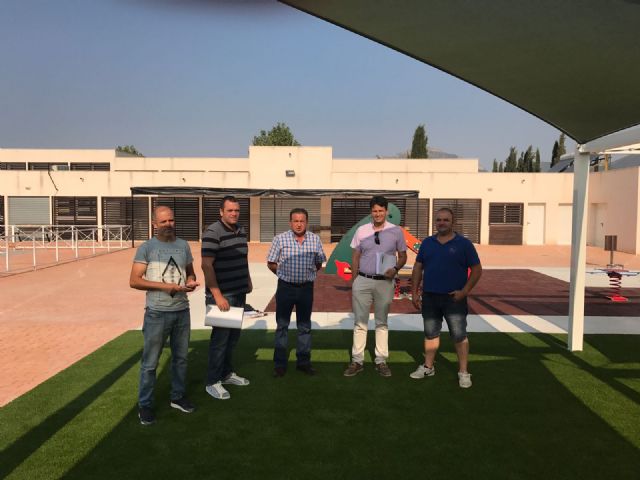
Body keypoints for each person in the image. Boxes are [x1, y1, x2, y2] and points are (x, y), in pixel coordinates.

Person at [129, 206, 199, 425]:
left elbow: (190, 272)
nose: (169, 225)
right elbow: (134, 280)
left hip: (182, 311)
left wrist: (190, 282)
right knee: (150, 363)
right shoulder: (147, 248)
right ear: (154, 224)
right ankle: (145, 405)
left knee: (181, 359)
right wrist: (165, 287)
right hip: (157, 313)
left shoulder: (183, 245)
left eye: (171, 220)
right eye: (163, 222)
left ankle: (178, 397)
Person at [410, 207, 482, 388]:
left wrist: (464, 292)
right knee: (430, 334)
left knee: (459, 335)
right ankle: (428, 367)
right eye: (439, 219)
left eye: (446, 220)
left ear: (453, 222)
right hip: (430, 297)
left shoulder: (464, 244)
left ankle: (463, 372)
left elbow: (477, 270)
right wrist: (415, 292)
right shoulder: (427, 243)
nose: (441, 223)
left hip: (454, 299)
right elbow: (418, 267)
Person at [344, 196, 407, 377]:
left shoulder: (396, 231)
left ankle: (381, 361)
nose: (377, 214)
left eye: (381, 210)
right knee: (360, 322)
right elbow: (355, 256)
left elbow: (403, 256)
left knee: (381, 322)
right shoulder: (362, 230)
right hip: (363, 280)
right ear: (370, 212)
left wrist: (395, 269)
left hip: (385, 282)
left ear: (386, 211)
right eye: (374, 211)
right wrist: (355, 280)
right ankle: (357, 360)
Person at [201, 196, 252, 400]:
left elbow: (243, 257)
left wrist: (247, 280)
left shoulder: (241, 230)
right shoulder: (213, 232)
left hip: (239, 293)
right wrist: (217, 296)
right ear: (221, 212)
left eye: (236, 210)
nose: (234, 214)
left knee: (232, 338)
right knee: (220, 340)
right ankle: (212, 381)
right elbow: (206, 265)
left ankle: (227, 373)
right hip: (223, 296)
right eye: (230, 210)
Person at [267, 208, 327, 377]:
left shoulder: (315, 239)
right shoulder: (280, 239)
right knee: (282, 326)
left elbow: (319, 262)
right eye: (295, 221)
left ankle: (303, 362)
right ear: (290, 222)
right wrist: (283, 275)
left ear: (306, 222)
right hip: (285, 288)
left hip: (306, 289)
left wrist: (307, 274)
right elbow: (271, 262)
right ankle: (280, 364)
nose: (299, 224)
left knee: (304, 326)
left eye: (302, 221)